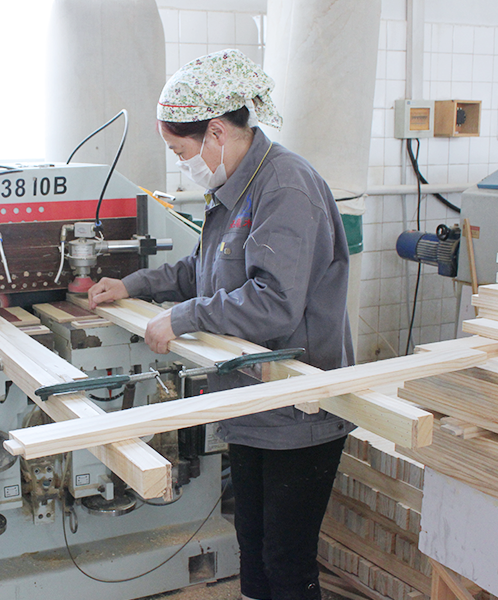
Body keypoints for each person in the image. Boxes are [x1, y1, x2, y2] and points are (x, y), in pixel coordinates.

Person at [88, 49, 355, 600]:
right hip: (251, 402)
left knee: (286, 561)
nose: (182, 162)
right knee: (253, 548)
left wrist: (182, 318)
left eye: (181, 150)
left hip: (297, 410)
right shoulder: (236, 184)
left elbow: (274, 302)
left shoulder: (284, 188)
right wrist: (136, 286)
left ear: (215, 132)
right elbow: (205, 270)